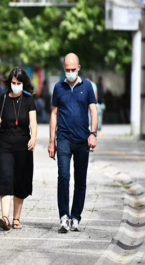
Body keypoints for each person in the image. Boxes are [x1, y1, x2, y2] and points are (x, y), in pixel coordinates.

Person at [48, 53, 98, 233]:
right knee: (63, 176)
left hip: (82, 139)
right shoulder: (58, 87)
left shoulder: (88, 87)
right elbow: (54, 114)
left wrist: (93, 133)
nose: (70, 73)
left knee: (80, 180)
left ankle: (75, 216)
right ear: (64, 69)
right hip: (63, 138)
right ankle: (63, 216)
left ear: (78, 68)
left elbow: (93, 111)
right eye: (67, 70)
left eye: (72, 70)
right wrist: (51, 141)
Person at [0, 67, 37, 231]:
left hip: (24, 146)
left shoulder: (29, 100)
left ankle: (16, 218)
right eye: (13, 83)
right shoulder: (3, 99)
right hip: (5, 145)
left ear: (24, 84)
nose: (15, 86)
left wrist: (34, 138)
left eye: (18, 83)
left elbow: (33, 122)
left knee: (20, 180)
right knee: (5, 177)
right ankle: (5, 218)